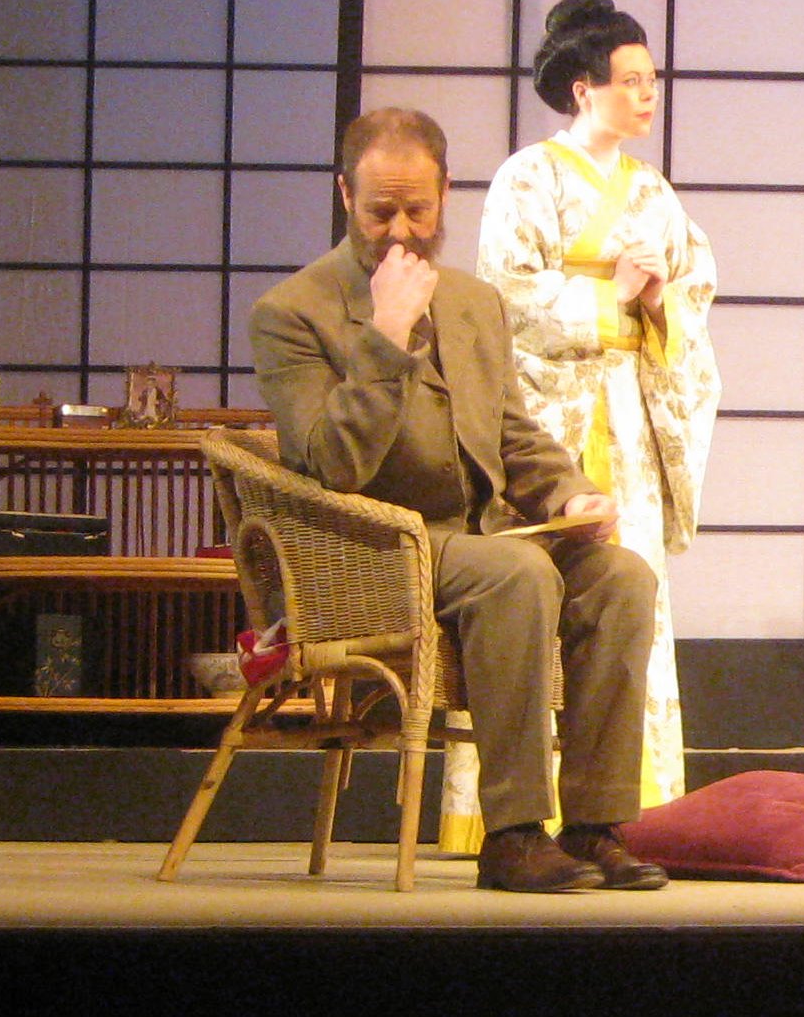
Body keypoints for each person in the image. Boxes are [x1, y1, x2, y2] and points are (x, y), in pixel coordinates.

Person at [250, 105, 668, 893]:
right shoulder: (292, 313)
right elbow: (330, 465)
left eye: (418, 209)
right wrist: (385, 336)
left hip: (482, 542)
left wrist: (571, 495)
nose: (400, 231)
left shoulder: (474, 303)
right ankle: (513, 834)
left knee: (622, 579)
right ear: (345, 195)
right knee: (518, 574)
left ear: (445, 194)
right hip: (375, 549)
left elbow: (513, 436)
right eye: (380, 211)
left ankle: (593, 826)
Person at [431, 0, 718, 850]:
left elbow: (693, 297)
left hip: (627, 415)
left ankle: (618, 810)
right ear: (583, 88)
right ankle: (517, 814)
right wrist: (610, 297)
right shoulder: (529, 178)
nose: (648, 94)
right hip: (544, 420)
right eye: (631, 80)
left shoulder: (655, 192)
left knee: (628, 593)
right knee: (528, 599)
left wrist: (658, 301)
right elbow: (503, 298)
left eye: (652, 79)